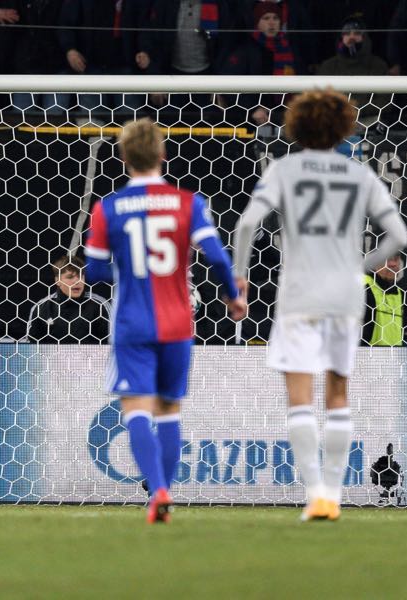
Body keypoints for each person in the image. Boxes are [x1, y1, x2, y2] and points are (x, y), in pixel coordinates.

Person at [232, 89, 407, 521]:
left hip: (299, 292)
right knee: (338, 394)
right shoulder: (359, 174)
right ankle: (332, 491)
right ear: (343, 127)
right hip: (344, 294)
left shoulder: (284, 170)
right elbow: (398, 237)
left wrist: (239, 280)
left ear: (296, 127)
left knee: (299, 397)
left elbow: (247, 225)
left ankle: (316, 495)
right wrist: (358, 268)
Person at [85, 118, 247, 523]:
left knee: (136, 408)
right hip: (177, 321)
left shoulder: (107, 209)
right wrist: (232, 296)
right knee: (170, 409)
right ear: (163, 155)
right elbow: (216, 256)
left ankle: (156, 490)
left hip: (131, 322)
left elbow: (96, 272)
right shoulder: (188, 203)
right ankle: (166, 491)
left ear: (122, 158)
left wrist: (128, 267)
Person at [26, 255, 111, 344]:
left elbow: (114, 344)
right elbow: (31, 349)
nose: (77, 281)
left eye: (81, 276)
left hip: (92, 357)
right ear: (57, 280)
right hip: (52, 358)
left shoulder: (100, 305)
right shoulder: (41, 307)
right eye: (70, 277)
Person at [362, 255, 404, 346]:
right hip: (365, 358)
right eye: (387, 259)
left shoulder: (398, 292)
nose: (393, 264)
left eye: (396, 259)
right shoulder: (363, 288)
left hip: (394, 358)